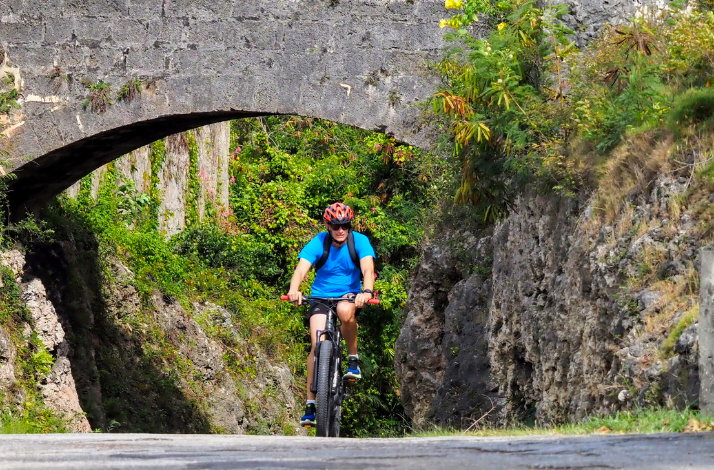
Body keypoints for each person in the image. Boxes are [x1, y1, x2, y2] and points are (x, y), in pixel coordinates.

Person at [286, 202, 376, 427]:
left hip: (348, 294)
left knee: (345, 311)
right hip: (320, 297)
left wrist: (366, 291)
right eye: (336, 226)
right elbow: (300, 269)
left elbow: (367, 269)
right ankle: (310, 404)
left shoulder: (360, 242)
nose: (341, 230)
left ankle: (353, 360)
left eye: (345, 225)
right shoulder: (319, 242)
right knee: (317, 343)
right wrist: (294, 290)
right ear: (328, 225)